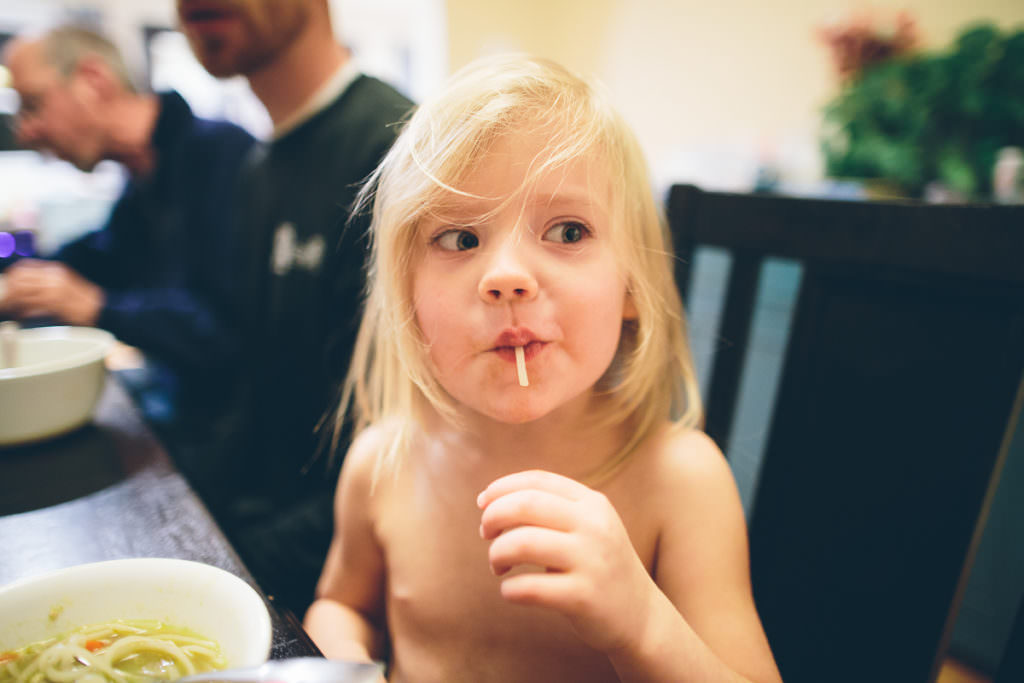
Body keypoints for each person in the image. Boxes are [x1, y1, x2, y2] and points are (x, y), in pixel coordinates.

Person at [303, 55, 783, 682]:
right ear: (408, 303)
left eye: (567, 230)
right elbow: (342, 604)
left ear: (633, 287)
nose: (506, 277)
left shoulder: (681, 484)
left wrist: (643, 622)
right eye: (460, 239)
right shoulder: (382, 463)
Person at [176, 0, 414, 616]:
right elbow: (259, 394)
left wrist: (212, 563)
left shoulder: (396, 150)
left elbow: (400, 452)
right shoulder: (260, 169)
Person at [0, 25, 256, 430]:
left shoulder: (222, 155)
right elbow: (95, 256)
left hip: (234, 436)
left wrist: (94, 305)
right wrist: (15, 277)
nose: (26, 131)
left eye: (34, 104)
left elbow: (223, 333)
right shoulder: (142, 180)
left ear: (93, 80)